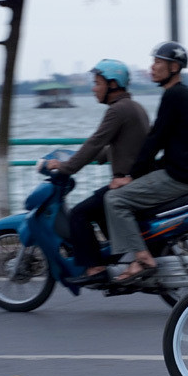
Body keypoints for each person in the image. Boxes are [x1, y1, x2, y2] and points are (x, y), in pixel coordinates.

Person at [103, 41, 188, 284]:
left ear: (173, 67)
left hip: (182, 175)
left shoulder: (174, 96)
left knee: (115, 199)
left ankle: (142, 258)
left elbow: (156, 139)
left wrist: (130, 176)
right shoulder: (184, 94)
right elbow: (169, 140)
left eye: (157, 63)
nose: (152, 68)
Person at [47, 59, 150, 285]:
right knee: (97, 207)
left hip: (128, 185)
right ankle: (115, 256)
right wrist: (83, 156)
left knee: (79, 214)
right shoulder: (134, 107)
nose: (94, 88)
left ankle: (95, 268)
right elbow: (115, 146)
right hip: (138, 181)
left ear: (113, 84)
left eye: (97, 83)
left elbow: (95, 142)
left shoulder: (118, 110)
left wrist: (66, 167)